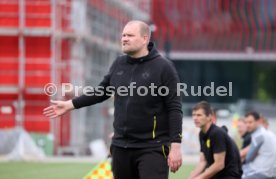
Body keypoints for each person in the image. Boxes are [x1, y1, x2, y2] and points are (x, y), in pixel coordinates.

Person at [43, 20, 183, 179]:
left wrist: (176, 146)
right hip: (120, 147)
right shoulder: (119, 63)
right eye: (123, 35)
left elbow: (174, 108)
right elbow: (101, 92)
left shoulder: (164, 67)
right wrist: (70, 104)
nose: (124, 38)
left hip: (152, 148)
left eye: (130, 35)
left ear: (145, 39)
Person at [188, 101, 242, 179]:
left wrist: (199, 178)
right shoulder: (202, 134)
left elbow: (219, 165)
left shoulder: (216, 133)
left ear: (209, 117)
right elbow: (203, 161)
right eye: (193, 115)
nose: (195, 118)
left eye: (199, 115)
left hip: (229, 176)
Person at [242, 112, 276, 179]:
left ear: (258, 121)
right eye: (246, 122)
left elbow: (249, 157)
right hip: (271, 171)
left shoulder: (258, 135)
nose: (247, 125)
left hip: (261, 171)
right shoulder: (269, 133)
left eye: (250, 122)